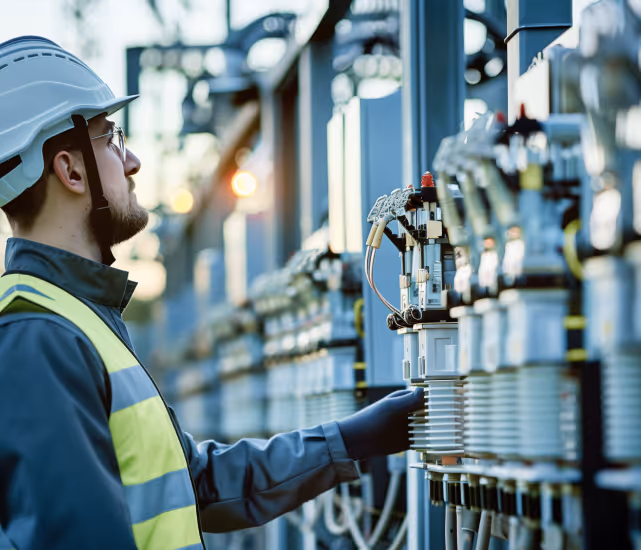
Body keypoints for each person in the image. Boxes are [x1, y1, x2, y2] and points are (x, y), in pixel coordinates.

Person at [0, 36, 424, 550]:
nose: (131, 160)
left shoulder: (75, 319)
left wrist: (353, 438)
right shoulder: (39, 337)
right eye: (111, 138)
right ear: (69, 170)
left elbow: (192, 482)